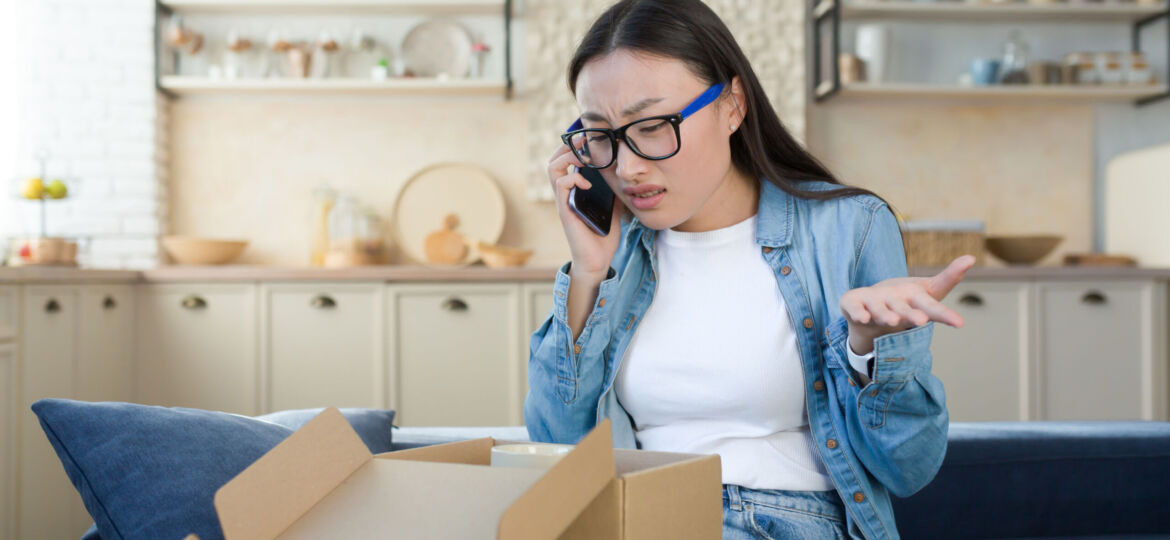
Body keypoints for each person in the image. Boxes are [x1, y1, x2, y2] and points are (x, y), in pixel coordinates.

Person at [524, 1, 975, 538]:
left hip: (787, 521)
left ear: (732, 104)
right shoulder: (612, 250)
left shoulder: (847, 227)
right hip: (642, 519)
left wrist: (870, 354)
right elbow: (559, 446)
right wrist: (589, 272)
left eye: (651, 126)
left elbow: (909, 467)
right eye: (601, 135)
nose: (626, 167)